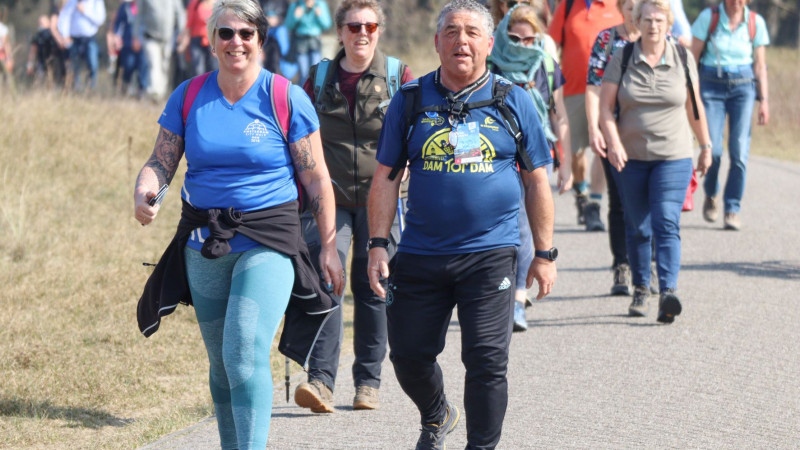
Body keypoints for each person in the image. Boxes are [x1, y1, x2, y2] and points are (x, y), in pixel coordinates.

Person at [133, 0, 342, 447]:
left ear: (261, 41)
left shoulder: (285, 96)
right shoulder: (189, 95)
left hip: (269, 238)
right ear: (211, 42)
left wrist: (327, 246)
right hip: (203, 241)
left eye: (247, 34)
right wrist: (145, 191)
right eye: (226, 34)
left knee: (242, 351)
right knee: (222, 364)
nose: (236, 42)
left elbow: (316, 176)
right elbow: (161, 161)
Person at [368, 1, 557, 447]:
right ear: (436, 42)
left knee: (487, 361)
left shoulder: (514, 100)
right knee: (409, 356)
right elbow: (385, 177)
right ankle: (436, 414)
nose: (461, 41)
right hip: (421, 252)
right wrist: (378, 243)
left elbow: (537, 183)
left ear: (490, 44)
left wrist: (545, 254)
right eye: (451, 31)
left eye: (473, 32)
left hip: (491, 254)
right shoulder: (410, 100)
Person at [293, 0, 414, 413]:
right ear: (340, 31)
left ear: (379, 30)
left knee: (372, 286)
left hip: (383, 201)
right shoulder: (319, 78)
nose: (363, 33)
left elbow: (418, 135)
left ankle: (368, 382)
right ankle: (320, 381)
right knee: (327, 280)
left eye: (371, 25)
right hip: (330, 200)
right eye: (354, 26)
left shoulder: (399, 77)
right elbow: (297, 134)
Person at [598, 0, 712, 323]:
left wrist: (705, 145)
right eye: (646, 19)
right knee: (638, 226)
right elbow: (606, 109)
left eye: (659, 20)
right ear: (637, 20)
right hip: (630, 157)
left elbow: (694, 106)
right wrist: (614, 142)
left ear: (669, 24)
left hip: (674, 156)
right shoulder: (621, 58)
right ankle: (640, 287)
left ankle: (668, 292)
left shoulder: (682, 57)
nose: (652, 26)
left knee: (665, 220)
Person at [490, 4, 572, 331]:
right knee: (514, 222)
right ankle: (504, 293)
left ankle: (518, 299)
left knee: (527, 222)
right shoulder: (490, 63)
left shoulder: (547, 66)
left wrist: (565, 163)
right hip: (500, 151)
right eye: (514, 38)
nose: (522, 45)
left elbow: (559, 114)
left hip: (537, 152)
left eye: (529, 39)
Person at [690, 0, 769, 231]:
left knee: (739, 151)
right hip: (711, 85)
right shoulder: (709, 17)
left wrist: (764, 101)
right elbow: (692, 58)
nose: (736, 2)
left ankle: (732, 207)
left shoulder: (755, 23)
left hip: (743, 88)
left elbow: (760, 66)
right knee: (712, 150)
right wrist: (689, 94)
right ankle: (711, 194)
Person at [548, 0, 621, 231]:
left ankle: (594, 204)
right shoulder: (568, 6)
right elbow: (551, 46)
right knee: (575, 150)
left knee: (603, 148)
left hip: (608, 90)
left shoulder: (617, 6)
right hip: (573, 88)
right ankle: (582, 192)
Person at [585, 0, 640, 296]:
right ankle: (622, 265)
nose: (634, 12)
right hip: (612, 130)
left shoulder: (659, 38)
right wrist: (594, 128)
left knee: (648, 202)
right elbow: (593, 86)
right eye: (629, 6)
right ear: (621, 8)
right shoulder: (607, 39)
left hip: (648, 136)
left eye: (639, 6)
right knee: (619, 202)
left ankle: (648, 264)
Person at [133, 0, 186, 99]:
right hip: (150, 37)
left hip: (168, 38)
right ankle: (154, 93)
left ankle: (160, 93)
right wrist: (135, 36)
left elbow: (180, 14)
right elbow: (138, 15)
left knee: (164, 66)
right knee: (154, 64)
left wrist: (181, 31)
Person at [57, 0, 106, 91]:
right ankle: (76, 89)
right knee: (74, 66)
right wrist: (64, 35)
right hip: (74, 39)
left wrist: (85, 11)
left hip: (90, 38)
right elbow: (64, 17)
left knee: (93, 65)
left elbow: (100, 20)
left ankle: (90, 90)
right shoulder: (72, 1)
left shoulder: (96, 2)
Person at [284, 0, 332, 82]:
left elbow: (327, 24)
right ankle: (303, 93)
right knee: (303, 73)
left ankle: (315, 93)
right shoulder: (296, 5)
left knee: (316, 72)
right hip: (300, 41)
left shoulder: (320, 4)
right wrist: (295, 16)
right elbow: (288, 25)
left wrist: (320, 15)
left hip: (315, 41)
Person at [112, 0, 149, 96]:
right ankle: (125, 89)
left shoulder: (147, 7)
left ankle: (141, 92)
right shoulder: (125, 6)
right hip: (128, 43)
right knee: (128, 66)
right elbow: (117, 24)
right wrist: (116, 37)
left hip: (143, 44)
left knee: (143, 68)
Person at [182, 0, 218, 78]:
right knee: (198, 68)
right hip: (196, 40)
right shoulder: (195, 3)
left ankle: (211, 88)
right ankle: (198, 88)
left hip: (211, 41)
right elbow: (189, 24)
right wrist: (183, 41)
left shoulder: (218, 4)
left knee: (212, 67)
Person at [26, 15, 60, 87]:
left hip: (55, 62)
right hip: (41, 63)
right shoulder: (37, 36)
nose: (40, 25)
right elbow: (32, 51)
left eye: (42, 23)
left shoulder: (55, 35)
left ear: (48, 23)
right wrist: (30, 64)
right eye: (39, 23)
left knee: (55, 82)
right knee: (40, 82)